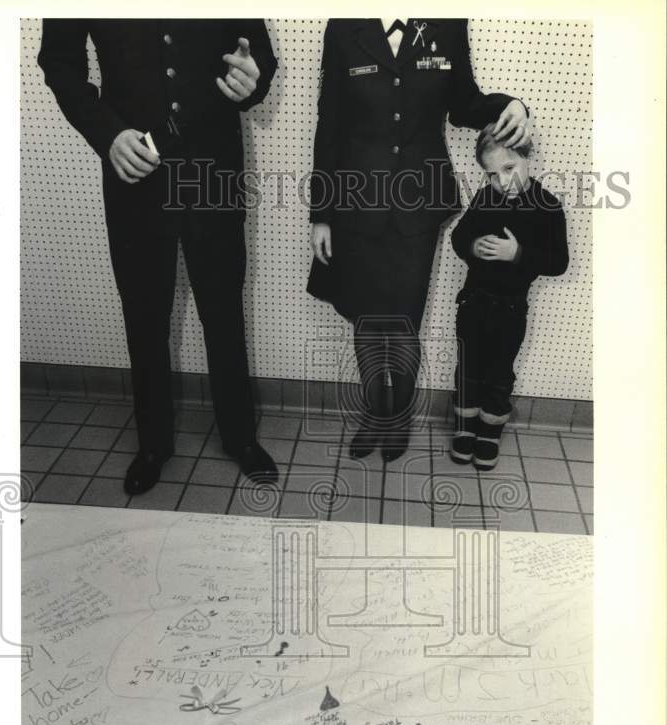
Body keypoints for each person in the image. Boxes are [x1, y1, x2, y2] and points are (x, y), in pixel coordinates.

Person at [38, 19, 279, 494]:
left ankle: (239, 436)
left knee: (223, 307)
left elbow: (258, 54)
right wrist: (106, 133)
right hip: (135, 167)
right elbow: (60, 63)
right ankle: (153, 444)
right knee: (144, 314)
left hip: (213, 164)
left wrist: (255, 79)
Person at [307, 17, 531, 462]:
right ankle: (375, 412)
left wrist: (512, 104)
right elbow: (329, 122)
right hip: (356, 202)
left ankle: (399, 417)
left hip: (418, 205)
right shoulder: (343, 27)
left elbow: (465, 104)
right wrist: (321, 214)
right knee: (367, 322)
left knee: (404, 321)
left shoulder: (446, 24)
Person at [448, 124, 569, 468]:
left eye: (508, 169)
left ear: (527, 157)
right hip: (473, 304)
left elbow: (558, 262)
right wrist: (472, 245)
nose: (501, 181)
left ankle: (489, 433)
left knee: (500, 373)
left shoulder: (548, 206)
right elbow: (460, 238)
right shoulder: (485, 198)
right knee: (467, 369)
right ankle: (465, 429)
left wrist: (517, 254)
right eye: (491, 174)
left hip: (511, 310)